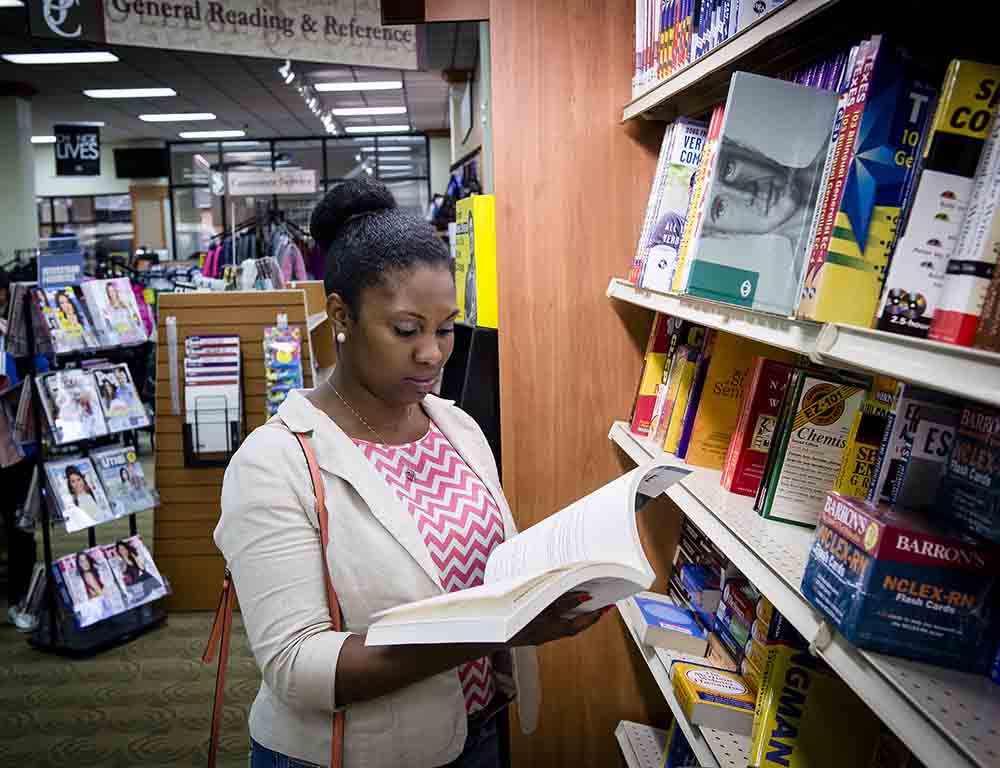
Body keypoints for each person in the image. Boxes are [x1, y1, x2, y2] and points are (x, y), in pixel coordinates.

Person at [218, 179, 608, 768]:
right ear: (341, 316)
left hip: (478, 731)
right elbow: (298, 667)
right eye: (406, 330)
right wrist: (499, 629)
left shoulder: (455, 427)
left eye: (445, 327)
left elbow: (484, 566)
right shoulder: (274, 463)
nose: (432, 352)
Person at [0, 268, 38, 633]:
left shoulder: (13, 338)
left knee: (21, 528)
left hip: (15, 449)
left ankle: (21, 599)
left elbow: (34, 377)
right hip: (12, 448)